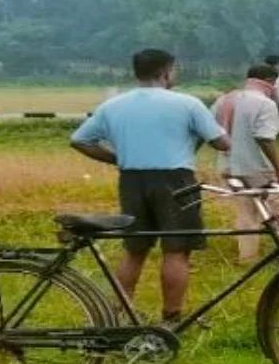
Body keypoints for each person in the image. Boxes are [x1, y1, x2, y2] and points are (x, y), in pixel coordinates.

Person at [70, 49, 230, 326]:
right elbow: (222, 143)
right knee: (177, 250)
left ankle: (117, 315)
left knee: (135, 249)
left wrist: (117, 158)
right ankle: (171, 317)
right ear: (165, 72)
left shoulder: (113, 106)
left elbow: (80, 140)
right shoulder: (187, 104)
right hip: (176, 180)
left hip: (132, 180)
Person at [210, 64, 279, 263]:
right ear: (271, 81)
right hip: (258, 168)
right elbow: (264, 138)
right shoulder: (264, 103)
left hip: (229, 167)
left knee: (246, 211)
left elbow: (209, 130)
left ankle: (247, 257)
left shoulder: (224, 99)